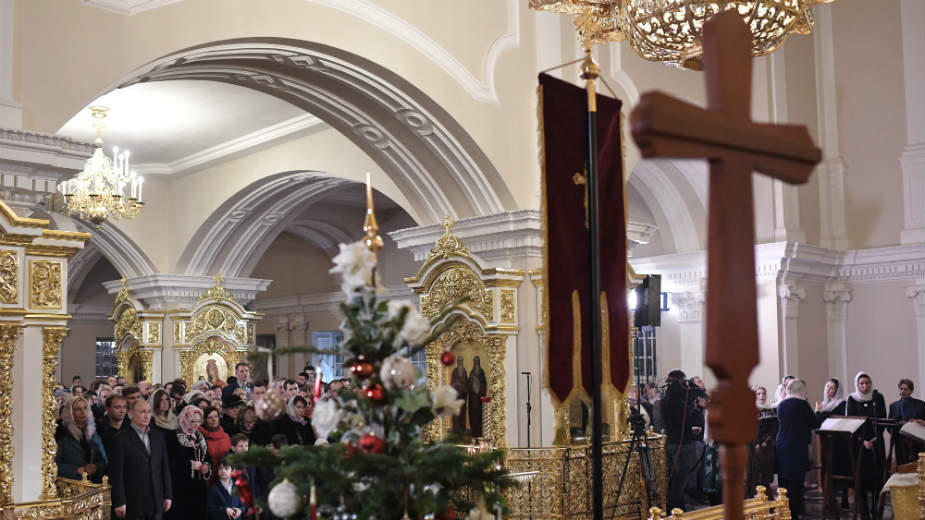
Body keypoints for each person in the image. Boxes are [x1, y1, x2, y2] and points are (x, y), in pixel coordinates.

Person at [110, 399, 173, 520]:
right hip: (134, 501)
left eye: (149, 411)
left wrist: (168, 495)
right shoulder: (120, 439)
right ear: (131, 413)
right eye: (142, 411)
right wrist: (119, 501)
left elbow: (165, 468)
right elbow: (116, 474)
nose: (147, 415)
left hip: (156, 500)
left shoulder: (158, 436)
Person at [844, 372, 887, 520]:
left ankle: (876, 507)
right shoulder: (852, 398)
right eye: (862, 383)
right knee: (861, 477)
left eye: (867, 383)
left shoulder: (877, 397)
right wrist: (863, 441)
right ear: (857, 384)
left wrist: (875, 439)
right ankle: (863, 511)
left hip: (876, 443)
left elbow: (882, 419)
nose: (865, 386)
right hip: (859, 445)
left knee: (877, 475)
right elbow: (851, 422)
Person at [776, 378, 816, 520]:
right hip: (797, 447)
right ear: (801, 390)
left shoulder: (781, 405)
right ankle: (794, 513)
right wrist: (819, 412)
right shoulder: (802, 404)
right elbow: (814, 423)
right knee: (796, 483)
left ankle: (783, 512)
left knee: (784, 481)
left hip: (781, 447)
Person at [661, 369, 699, 512]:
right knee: (679, 479)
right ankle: (675, 507)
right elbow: (683, 421)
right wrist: (694, 409)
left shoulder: (668, 399)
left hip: (673, 442)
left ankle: (677, 504)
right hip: (680, 444)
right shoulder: (676, 401)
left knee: (677, 478)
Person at [166, 406, 211, 520]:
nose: (196, 425)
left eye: (198, 421)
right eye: (192, 421)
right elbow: (171, 461)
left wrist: (206, 466)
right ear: (185, 419)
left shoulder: (200, 436)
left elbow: (207, 457)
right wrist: (190, 465)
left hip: (199, 486)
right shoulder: (173, 436)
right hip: (181, 487)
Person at [55, 396, 108, 483]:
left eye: (85, 408)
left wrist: (96, 467)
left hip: (92, 484)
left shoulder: (94, 432)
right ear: (70, 412)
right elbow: (52, 465)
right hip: (70, 485)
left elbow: (104, 460)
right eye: (77, 409)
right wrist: (76, 469)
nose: (83, 412)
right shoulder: (61, 434)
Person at [746, 385, 776, 497]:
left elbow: (773, 430)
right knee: (753, 476)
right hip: (752, 447)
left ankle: (768, 503)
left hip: (766, 448)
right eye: (759, 394)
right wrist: (756, 443)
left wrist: (764, 442)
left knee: (765, 476)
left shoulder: (770, 410)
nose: (761, 396)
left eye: (763, 393)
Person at [888, 378, 925, 464]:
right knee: (902, 467)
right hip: (899, 442)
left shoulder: (920, 405)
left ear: (911, 391)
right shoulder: (893, 406)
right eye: (901, 389)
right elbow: (889, 425)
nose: (903, 391)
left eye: (906, 389)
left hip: (916, 442)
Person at [200, 406, 231, 485]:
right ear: (204, 420)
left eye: (216, 416)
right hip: (207, 478)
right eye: (209, 417)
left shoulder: (226, 436)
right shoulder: (200, 437)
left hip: (224, 476)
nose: (214, 420)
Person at [97, 394, 131, 462]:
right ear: (107, 408)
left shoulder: (132, 427)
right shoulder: (99, 428)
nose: (122, 411)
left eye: (124, 407)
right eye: (117, 407)